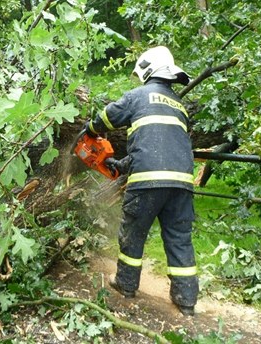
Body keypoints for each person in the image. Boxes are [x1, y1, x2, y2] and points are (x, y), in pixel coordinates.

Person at [85, 46, 198, 316]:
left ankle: (125, 284)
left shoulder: (137, 96)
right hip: (182, 183)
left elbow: (107, 118)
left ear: (147, 69)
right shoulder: (179, 106)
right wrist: (122, 164)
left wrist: (88, 130)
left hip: (148, 183)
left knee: (133, 233)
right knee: (180, 238)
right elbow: (158, 146)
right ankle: (186, 300)